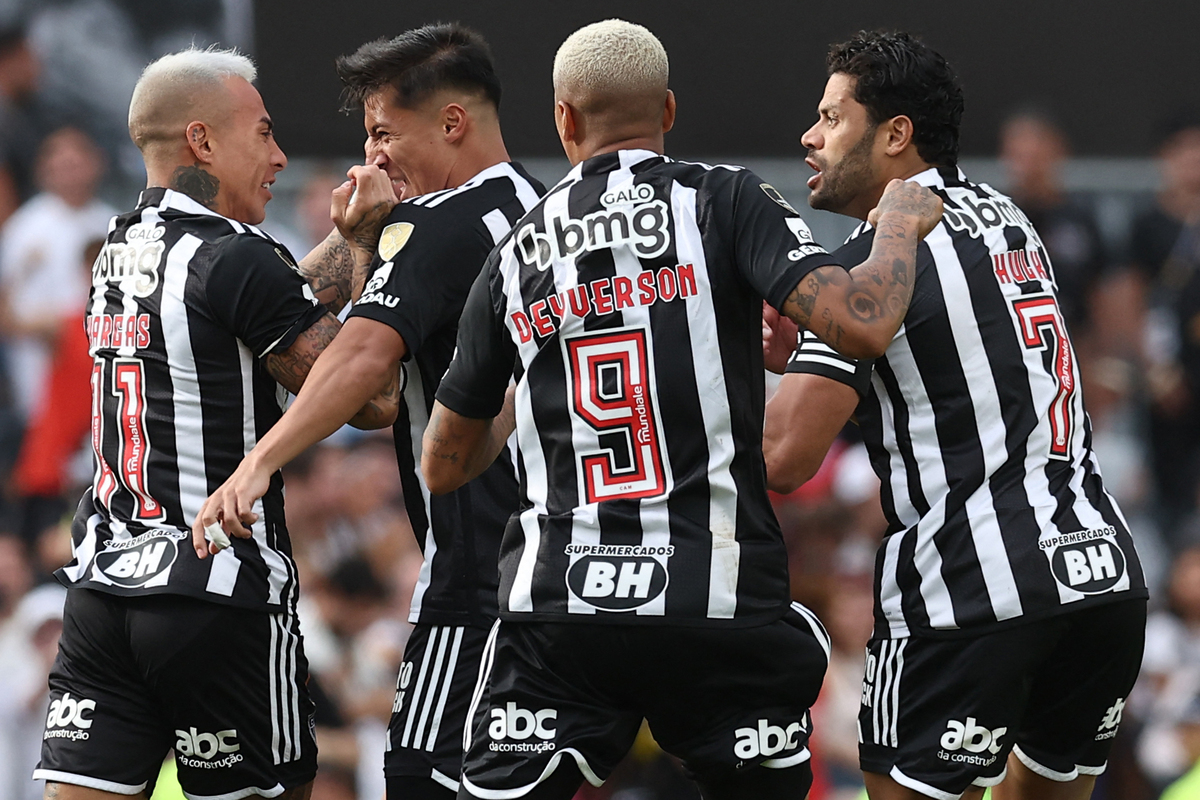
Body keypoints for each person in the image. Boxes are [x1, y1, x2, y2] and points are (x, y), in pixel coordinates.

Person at [418, 19, 941, 800]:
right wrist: (897, 228)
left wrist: (532, 383)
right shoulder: (726, 200)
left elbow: (444, 462)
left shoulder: (516, 250)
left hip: (561, 614)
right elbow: (860, 322)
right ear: (667, 111)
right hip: (717, 609)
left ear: (563, 119)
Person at [761, 30, 1148, 800]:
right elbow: (958, 367)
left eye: (832, 118)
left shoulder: (876, 263)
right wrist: (807, 351)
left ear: (895, 133)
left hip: (969, 588)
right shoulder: (1008, 219)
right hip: (1100, 576)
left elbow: (783, 455)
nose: (809, 137)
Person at [33, 46, 401, 800]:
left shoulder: (117, 245)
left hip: (103, 591)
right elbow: (369, 399)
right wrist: (369, 252)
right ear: (203, 141)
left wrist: (344, 236)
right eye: (263, 133)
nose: (280, 154)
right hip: (215, 587)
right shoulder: (235, 255)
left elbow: (261, 299)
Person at [193, 24, 547, 800]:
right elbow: (298, 302)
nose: (375, 156)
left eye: (384, 133)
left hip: (475, 572)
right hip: (551, 561)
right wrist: (362, 240)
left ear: (452, 123)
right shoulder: (539, 206)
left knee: (417, 776)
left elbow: (354, 363)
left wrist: (260, 461)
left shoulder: (440, 223)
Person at [0, 127, 115, 422]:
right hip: (42, 359)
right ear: (44, 169)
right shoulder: (24, 229)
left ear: (96, 163)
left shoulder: (112, 223)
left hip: (99, 353)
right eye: (61, 166)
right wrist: (46, 326)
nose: (70, 174)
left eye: (76, 164)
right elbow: (5, 308)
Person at [998, 110, 1106, 336]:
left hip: (1074, 338)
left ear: (1059, 151)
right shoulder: (994, 220)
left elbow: (1099, 291)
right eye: (1021, 155)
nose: (1030, 165)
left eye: (1037, 154)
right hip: (1010, 339)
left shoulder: (1079, 220)